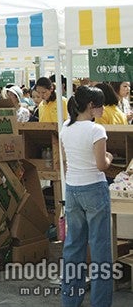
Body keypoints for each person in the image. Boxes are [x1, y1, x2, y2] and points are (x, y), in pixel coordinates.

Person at [60, 85, 114, 307]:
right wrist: (110, 157)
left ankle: (70, 300)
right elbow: (102, 166)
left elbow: (66, 160)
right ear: (91, 106)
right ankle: (100, 303)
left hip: (72, 189)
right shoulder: (96, 131)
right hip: (94, 188)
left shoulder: (66, 126)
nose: (103, 109)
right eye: (100, 105)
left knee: (73, 246)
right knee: (100, 248)